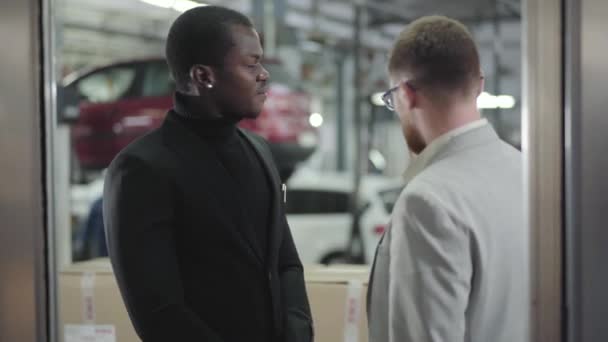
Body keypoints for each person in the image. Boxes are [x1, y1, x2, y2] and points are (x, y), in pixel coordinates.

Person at [103, 6, 313, 342]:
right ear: (203, 76)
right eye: (251, 63)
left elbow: (286, 262)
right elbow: (160, 313)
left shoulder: (260, 152)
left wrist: (298, 334)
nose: (264, 74)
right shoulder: (142, 169)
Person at [367, 16, 528, 342]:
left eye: (391, 100)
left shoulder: (428, 200)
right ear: (479, 84)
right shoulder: (526, 173)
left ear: (407, 95)